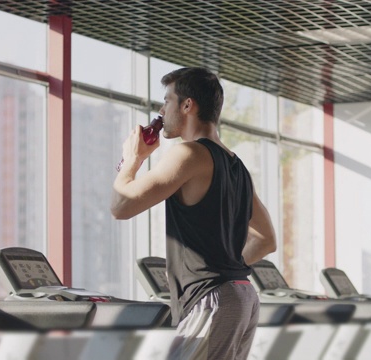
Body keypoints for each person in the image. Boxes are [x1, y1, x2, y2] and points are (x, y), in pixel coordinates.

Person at [111, 67, 276, 359]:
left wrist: (132, 160)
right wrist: (224, 267)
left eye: (167, 101)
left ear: (187, 105)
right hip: (241, 295)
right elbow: (266, 239)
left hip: (211, 299)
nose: (161, 111)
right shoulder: (237, 166)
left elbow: (122, 206)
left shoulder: (188, 154)